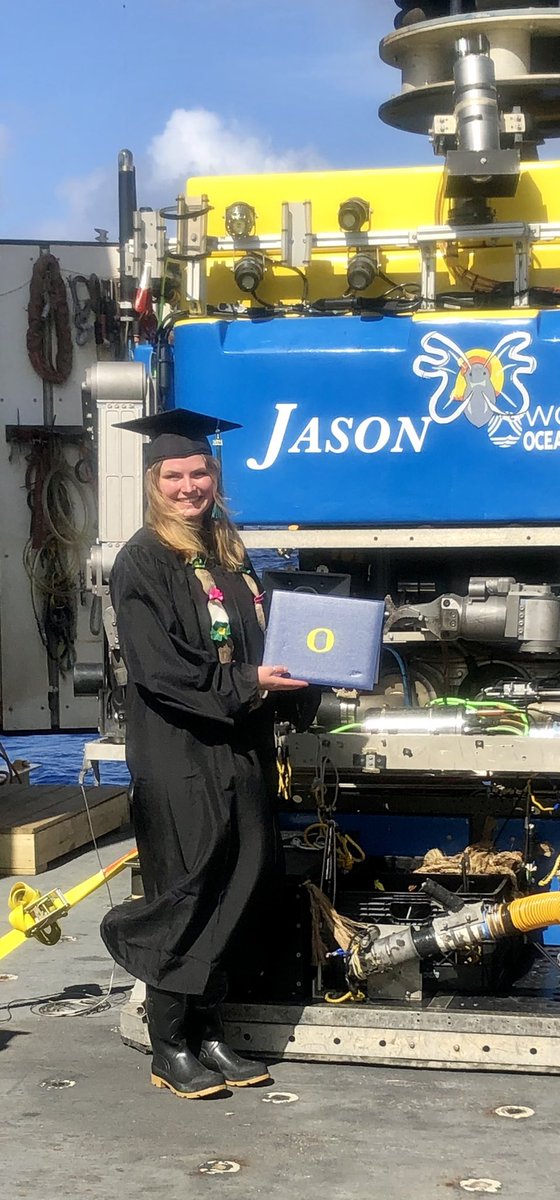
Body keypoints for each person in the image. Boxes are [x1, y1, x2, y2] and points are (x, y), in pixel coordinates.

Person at [100, 408, 316, 1099]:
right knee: (187, 888)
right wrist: (246, 682)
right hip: (180, 750)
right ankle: (171, 1044)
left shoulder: (226, 549)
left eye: (199, 472)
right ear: (153, 483)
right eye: (175, 476)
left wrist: (299, 667)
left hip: (240, 744)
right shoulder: (143, 560)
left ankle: (211, 1030)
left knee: (239, 879)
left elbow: (257, 641)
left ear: (213, 476)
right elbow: (159, 671)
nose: (189, 485)